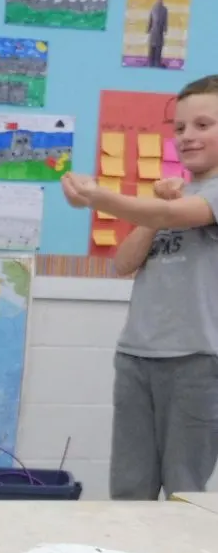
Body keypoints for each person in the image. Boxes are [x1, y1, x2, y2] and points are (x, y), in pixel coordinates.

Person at [61, 74, 218, 500]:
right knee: (130, 487)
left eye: (203, 125)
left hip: (197, 361)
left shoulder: (204, 197)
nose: (187, 136)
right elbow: (124, 263)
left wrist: (98, 197)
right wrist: (159, 204)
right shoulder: (173, 197)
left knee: (185, 488)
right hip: (136, 355)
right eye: (180, 127)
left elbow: (170, 218)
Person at [146, 0, 168, 68]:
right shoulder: (153, 8)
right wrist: (148, 29)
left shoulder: (165, 9)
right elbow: (150, 19)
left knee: (159, 47)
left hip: (160, 31)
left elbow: (165, 20)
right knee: (152, 47)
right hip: (153, 31)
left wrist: (165, 30)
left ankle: (157, 62)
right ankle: (151, 62)